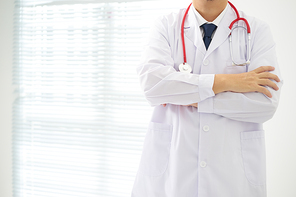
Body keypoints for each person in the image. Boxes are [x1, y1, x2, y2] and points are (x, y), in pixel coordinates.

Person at [132, 0, 282, 196]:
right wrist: (229, 82)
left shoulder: (257, 30)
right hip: (174, 172)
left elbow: (265, 103)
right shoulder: (165, 26)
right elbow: (152, 85)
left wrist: (188, 95)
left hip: (231, 174)